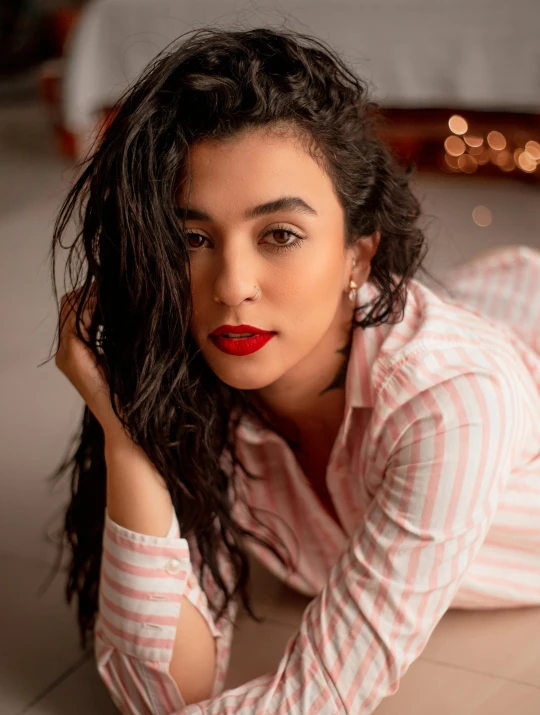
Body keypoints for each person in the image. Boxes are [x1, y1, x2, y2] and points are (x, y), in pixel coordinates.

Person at [49, 27, 540, 715]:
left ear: (357, 255)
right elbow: (157, 692)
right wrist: (122, 430)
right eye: (194, 238)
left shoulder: (451, 406)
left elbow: (314, 698)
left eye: (279, 234)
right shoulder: (203, 370)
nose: (232, 287)